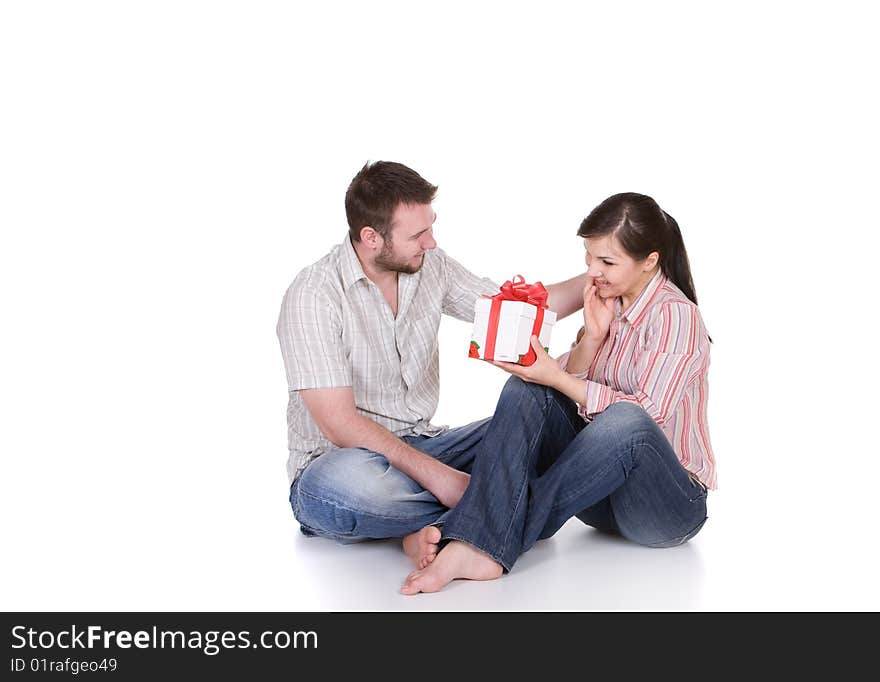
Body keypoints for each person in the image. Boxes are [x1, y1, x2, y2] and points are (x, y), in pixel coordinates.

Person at [401, 192, 717, 594]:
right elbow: (566, 394)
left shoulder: (675, 315)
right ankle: (476, 536)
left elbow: (647, 415)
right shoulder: (608, 304)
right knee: (527, 390)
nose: (592, 272)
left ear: (650, 261)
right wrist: (591, 340)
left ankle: (476, 540)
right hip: (601, 499)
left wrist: (556, 375)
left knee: (626, 420)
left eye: (606, 262)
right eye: (589, 257)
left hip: (665, 506)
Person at [276, 161, 587, 564]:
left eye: (431, 227)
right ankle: (502, 508)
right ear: (370, 237)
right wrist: (441, 479)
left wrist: (596, 279)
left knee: (544, 420)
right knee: (352, 488)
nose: (431, 243)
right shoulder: (314, 295)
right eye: (418, 234)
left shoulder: (429, 266)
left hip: (428, 445)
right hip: (343, 464)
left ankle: (424, 527)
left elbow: (513, 314)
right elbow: (339, 425)